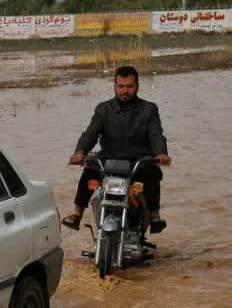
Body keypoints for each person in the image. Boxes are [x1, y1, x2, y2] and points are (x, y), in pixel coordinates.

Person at [62, 65, 172, 233]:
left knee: (152, 171)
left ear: (137, 87)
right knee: (89, 170)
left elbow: (156, 135)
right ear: (114, 87)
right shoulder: (103, 109)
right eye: (120, 86)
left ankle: (155, 216)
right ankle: (77, 214)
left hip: (139, 162)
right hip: (109, 162)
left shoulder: (149, 109)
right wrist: (79, 152)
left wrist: (161, 154)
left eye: (129, 86)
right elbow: (90, 133)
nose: (124, 91)